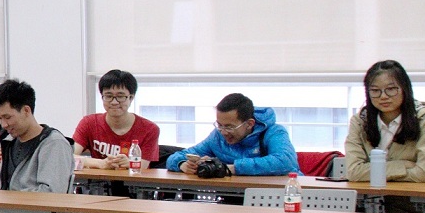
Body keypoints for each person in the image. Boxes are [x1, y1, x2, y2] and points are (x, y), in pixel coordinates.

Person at [344, 60, 425, 184]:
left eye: (391, 89)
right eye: (375, 90)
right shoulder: (360, 121)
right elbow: (353, 172)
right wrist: (402, 166)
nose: (383, 96)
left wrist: (373, 172)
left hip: (411, 194)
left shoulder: (424, 118)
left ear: (405, 89)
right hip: (369, 194)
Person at [167, 93, 297, 176]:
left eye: (229, 127)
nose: (223, 132)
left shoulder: (274, 132)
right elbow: (176, 157)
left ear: (249, 124)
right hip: (235, 195)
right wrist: (182, 164)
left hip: (279, 196)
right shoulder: (217, 136)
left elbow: (285, 161)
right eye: (220, 125)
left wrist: (232, 168)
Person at [0, 80, 74, 193]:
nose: (4, 124)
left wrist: (10, 198)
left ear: (26, 110)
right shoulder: (9, 142)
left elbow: (52, 193)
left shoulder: (54, 144)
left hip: (32, 205)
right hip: (4, 204)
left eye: (8, 117)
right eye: (0, 118)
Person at [73, 69, 162, 169]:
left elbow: (144, 165)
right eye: (108, 96)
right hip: (99, 178)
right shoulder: (89, 123)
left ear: (131, 98)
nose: (114, 102)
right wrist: (100, 163)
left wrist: (129, 162)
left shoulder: (150, 129)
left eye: (120, 96)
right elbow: (70, 156)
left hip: (132, 178)